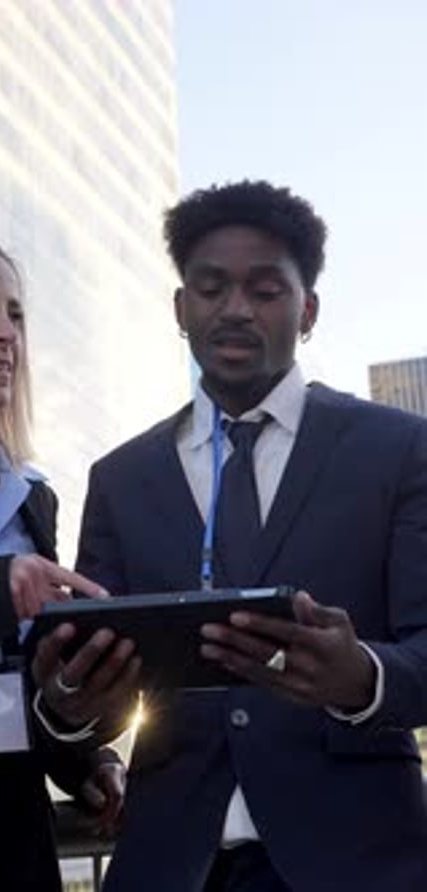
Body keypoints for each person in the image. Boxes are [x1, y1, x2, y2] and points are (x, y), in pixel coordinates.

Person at [75, 180, 427, 892]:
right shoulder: (119, 478)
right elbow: (91, 679)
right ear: (181, 309)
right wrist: (69, 696)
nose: (235, 309)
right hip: (170, 866)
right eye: (210, 288)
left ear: (309, 310)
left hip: (359, 862)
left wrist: (361, 678)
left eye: (265, 290)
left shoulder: (401, 450)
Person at [0, 230, 136, 891]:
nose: (6, 333)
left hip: (14, 854)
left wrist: (86, 761)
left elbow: (16, 694)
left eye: (15, 314)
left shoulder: (31, 503)